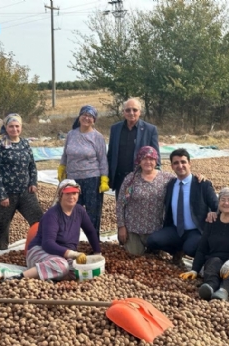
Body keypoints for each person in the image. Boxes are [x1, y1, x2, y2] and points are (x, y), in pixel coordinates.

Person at [11, 179, 101, 281]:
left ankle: (48, 277)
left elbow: (90, 231)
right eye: (67, 193)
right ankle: (19, 277)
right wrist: (73, 254)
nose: (72, 197)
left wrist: (97, 253)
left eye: (74, 193)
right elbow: (48, 244)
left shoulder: (80, 210)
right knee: (62, 266)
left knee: (79, 271)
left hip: (63, 256)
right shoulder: (52, 214)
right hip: (40, 251)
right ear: (61, 195)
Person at [180, 187, 229, 301]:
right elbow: (202, 247)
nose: (226, 203)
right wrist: (195, 269)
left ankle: (224, 291)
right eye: (223, 199)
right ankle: (210, 286)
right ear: (218, 202)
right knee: (212, 262)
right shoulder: (212, 220)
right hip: (217, 257)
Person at [146, 148, 219, 265]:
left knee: (191, 248)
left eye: (183, 162)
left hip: (195, 230)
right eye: (176, 163)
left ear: (189, 163)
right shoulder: (170, 185)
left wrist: (214, 213)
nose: (180, 166)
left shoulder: (202, 184)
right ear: (172, 166)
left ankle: (204, 259)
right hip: (175, 229)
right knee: (153, 240)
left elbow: (217, 206)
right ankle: (177, 251)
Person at [0, 113, 43, 250]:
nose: (14, 129)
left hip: (25, 193)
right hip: (7, 195)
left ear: (21, 127)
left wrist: (33, 182)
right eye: (11, 126)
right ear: (6, 128)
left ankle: (40, 247)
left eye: (17, 126)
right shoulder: (0, 145)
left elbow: (32, 165)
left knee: (39, 220)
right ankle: (2, 252)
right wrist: (1, 195)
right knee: (3, 225)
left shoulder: (25, 143)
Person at [58, 105, 109, 237]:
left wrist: (104, 178)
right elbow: (65, 154)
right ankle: (71, 242)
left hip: (92, 179)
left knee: (93, 213)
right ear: (79, 117)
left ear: (94, 120)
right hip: (73, 180)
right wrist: (62, 167)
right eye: (84, 115)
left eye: (90, 116)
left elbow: (103, 159)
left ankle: (94, 243)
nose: (87, 118)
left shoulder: (97, 137)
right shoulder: (71, 134)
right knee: (72, 211)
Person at [116, 146, 175, 256]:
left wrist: (198, 177)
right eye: (144, 159)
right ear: (139, 161)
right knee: (134, 254)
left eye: (151, 159)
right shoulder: (131, 179)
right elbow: (120, 203)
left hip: (155, 228)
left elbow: (184, 180)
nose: (148, 162)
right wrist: (121, 226)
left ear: (156, 161)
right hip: (133, 228)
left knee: (156, 255)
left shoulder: (166, 177)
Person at [107, 98, 160, 199]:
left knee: (139, 208)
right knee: (121, 208)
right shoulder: (115, 129)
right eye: (128, 110)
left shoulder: (150, 130)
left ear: (140, 112)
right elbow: (111, 154)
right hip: (120, 178)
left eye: (135, 110)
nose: (131, 113)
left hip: (140, 176)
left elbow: (156, 156)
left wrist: (155, 177)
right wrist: (108, 175)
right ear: (123, 112)